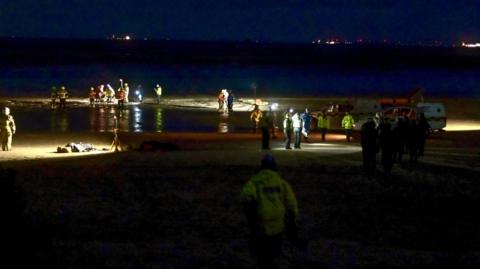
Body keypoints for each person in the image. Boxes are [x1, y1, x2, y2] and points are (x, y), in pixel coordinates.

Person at [240, 154, 299, 269]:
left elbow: (246, 196)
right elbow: (292, 203)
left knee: (262, 255)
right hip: (278, 225)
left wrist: (251, 215)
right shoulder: (281, 183)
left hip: (261, 225)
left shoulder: (255, 182)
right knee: (275, 252)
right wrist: (293, 219)